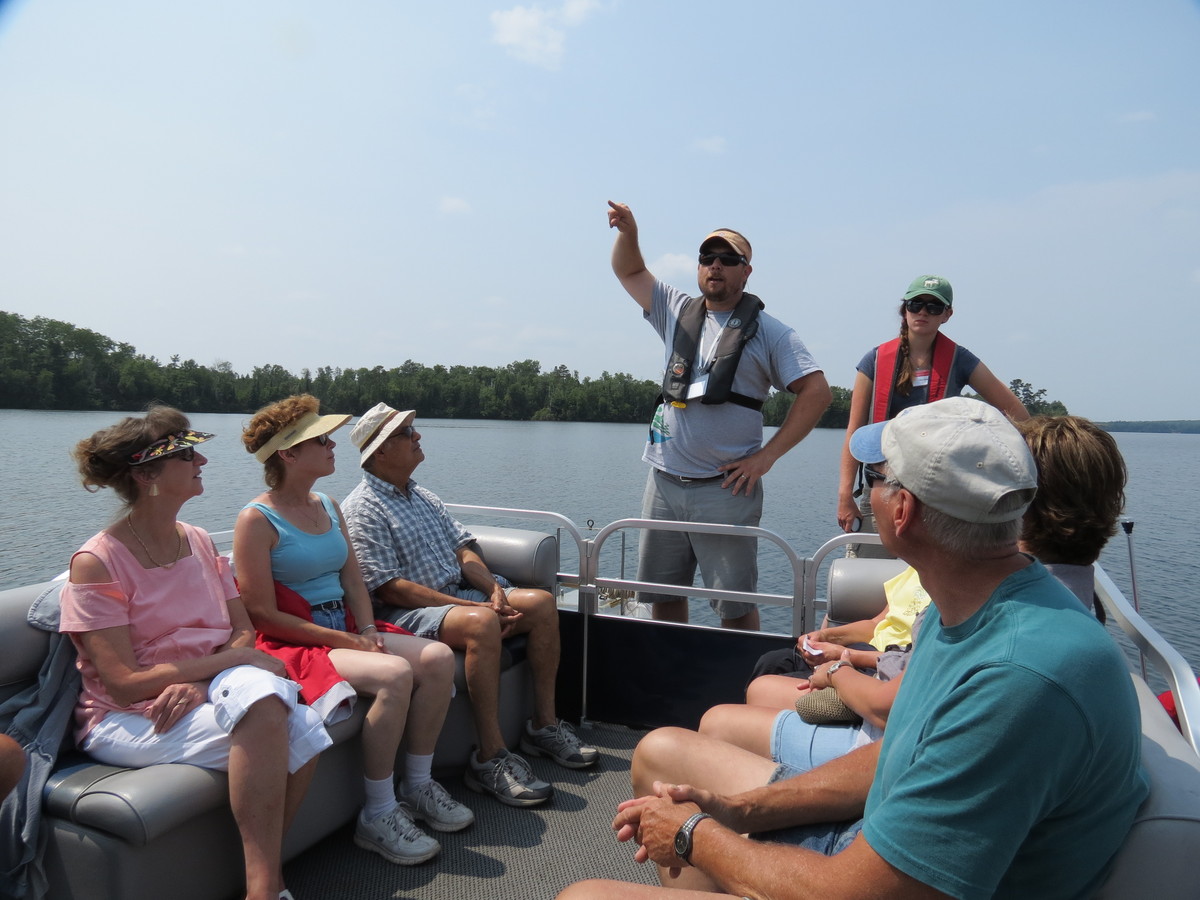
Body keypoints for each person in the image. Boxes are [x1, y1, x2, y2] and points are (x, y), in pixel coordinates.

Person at [561, 397, 1149, 900]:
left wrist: (695, 835)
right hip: (877, 840)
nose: (865, 493)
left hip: (871, 878)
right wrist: (737, 812)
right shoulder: (971, 607)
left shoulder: (1018, 678)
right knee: (662, 750)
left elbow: (865, 892)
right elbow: (897, 753)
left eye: (876, 478)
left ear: (903, 510)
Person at [59, 408, 329, 900]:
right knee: (297, 729)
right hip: (129, 715)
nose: (202, 458)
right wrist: (222, 667)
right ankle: (266, 886)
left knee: (285, 712)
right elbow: (121, 681)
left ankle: (261, 884)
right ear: (146, 476)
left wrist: (203, 682)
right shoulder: (97, 563)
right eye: (185, 454)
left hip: (204, 690)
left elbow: (242, 633)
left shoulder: (201, 542)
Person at [235, 395, 468, 868]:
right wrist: (349, 640)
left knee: (439, 659)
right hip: (297, 639)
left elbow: (352, 580)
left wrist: (365, 627)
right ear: (288, 454)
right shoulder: (256, 520)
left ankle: (418, 784)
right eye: (320, 440)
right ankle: (378, 812)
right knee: (394, 674)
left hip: (345, 625)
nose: (332, 445)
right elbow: (262, 615)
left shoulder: (327, 504)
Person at [340, 403, 597, 808]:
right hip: (405, 616)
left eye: (412, 428)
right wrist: (473, 606)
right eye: (407, 433)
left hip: (459, 599)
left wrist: (494, 590)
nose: (417, 436)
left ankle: (543, 725)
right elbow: (391, 589)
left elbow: (465, 549)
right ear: (380, 451)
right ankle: (489, 756)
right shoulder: (362, 509)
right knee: (480, 624)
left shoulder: (424, 496)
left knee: (543, 604)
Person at [607, 201, 832, 630]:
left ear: (746, 272)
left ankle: (740, 686)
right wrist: (629, 233)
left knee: (735, 603)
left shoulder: (772, 332)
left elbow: (817, 392)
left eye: (729, 260)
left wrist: (766, 457)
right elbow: (629, 272)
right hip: (664, 481)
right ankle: (674, 673)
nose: (716, 266)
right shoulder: (674, 309)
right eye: (708, 258)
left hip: (724, 490)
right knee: (663, 593)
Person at [837, 274, 1028, 537]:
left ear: (947, 314)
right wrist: (845, 494)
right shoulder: (874, 360)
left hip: (937, 494)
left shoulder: (961, 360)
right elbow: (854, 430)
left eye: (933, 307)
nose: (922, 312)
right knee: (866, 570)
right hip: (880, 488)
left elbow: (1019, 415)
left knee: (930, 575)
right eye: (915, 305)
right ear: (905, 309)